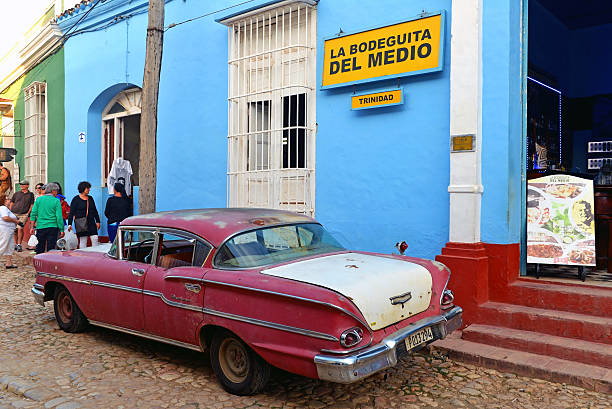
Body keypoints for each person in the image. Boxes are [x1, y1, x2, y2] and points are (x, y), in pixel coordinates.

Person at [29, 183, 64, 254]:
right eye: (56, 191)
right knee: (51, 248)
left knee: (40, 246)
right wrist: (61, 229)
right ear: (53, 191)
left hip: (40, 226)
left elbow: (33, 213)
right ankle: (50, 263)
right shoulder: (56, 201)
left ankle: (39, 262)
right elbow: (59, 217)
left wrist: (32, 227)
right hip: (53, 227)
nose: (57, 193)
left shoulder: (39, 199)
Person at [67, 181, 100, 248]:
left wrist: (98, 221)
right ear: (83, 189)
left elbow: (94, 210)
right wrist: (70, 224)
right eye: (87, 188)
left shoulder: (90, 198)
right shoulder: (76, 199)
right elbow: (71, 212)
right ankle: (83, 255)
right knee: (83, 241)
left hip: (91, 222)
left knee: (95, 238)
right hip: (81, 223)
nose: (89, 190)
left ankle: (96, 254)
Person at [10, 180, 34, 252]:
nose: (22, 186)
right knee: (14, 229)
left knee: (20, 228)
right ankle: (16, 244)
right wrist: (10, 212)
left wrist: (28, 213)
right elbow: (12, 202)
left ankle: (19, 244)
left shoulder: (30, 195)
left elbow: (31, 205)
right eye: (21, 185)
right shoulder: (16, 193)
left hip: (24, 214)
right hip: (14, 213)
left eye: (23, 185)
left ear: (27, 186)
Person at [0, 193, 20, 268]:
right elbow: (5, 218)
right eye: (8, 199)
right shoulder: (3, 208)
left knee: (10, 246)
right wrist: (16, 221)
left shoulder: (5, 208)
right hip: (5, 229)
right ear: (4, 201)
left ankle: (9, 263)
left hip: (9, 229)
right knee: (3, 245)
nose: (9, 200)